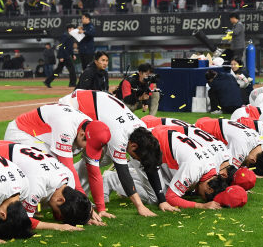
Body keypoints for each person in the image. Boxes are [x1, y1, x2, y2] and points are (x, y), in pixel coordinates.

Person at [58, 89, 177, 217]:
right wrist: (140, 206)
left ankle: (79, 196)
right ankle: (57, 195)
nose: (136, 160)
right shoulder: (119, 135)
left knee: (96, 159)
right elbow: (123, 172)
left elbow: (150, 165)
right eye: (137, 157)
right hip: (74, 106)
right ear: (133, 145)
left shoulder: (141, 130)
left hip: (95, 109)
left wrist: (162, 201)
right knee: (65, 157)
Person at [0, 141, 93, 226]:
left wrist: (82, 216)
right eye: (59, 213)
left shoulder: (68, 177)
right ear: (60, 200)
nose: (58, 215)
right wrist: (58, 226)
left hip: (13, 148)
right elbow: (25, 221)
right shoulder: (36, 186)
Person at [194, 118, 263, 176]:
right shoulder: (241, 147)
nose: (245, 164)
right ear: (253, 160)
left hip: (208, 122)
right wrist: (256, 176)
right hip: (200, 129)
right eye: (247, 164)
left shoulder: (259, 140)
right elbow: (230, 173)